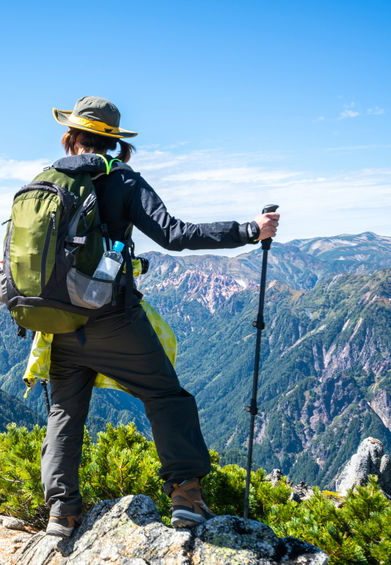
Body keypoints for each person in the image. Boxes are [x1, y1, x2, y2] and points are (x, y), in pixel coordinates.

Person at [40, 96, 279, 536]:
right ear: (113, 143)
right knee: (167, 397)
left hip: (55, 323)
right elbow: (174, 234)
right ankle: (186, 498)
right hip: (111, 317)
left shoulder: (44, 182)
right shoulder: (123, 181)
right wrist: (247, 231)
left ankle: (61, 511)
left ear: (69, 137)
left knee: (64, 413)